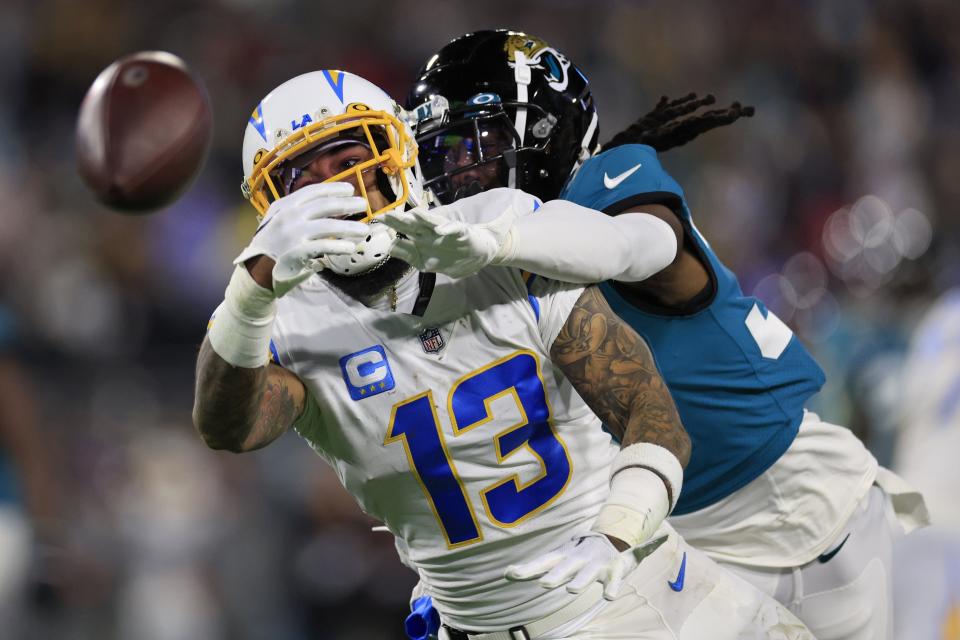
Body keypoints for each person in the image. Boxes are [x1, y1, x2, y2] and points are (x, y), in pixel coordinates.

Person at [192, 69, 814, 638]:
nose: (341, 193)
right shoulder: (283, 319)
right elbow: (227, 426)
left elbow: (651, 415)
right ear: (273, 208)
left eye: (353, 160)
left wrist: (618, 533)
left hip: (632, 595)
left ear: (395, 159)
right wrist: (252, 286)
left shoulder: (495, 235)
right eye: (307, 181)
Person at [401, 29, 929, 640]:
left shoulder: (603, 188)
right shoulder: (477, 275)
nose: (456, 169)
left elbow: (628, 247)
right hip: (664, 537)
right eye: (443, 150)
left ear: (543, 132)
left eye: (476, 142)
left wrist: (501, 238)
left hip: (798, 509)